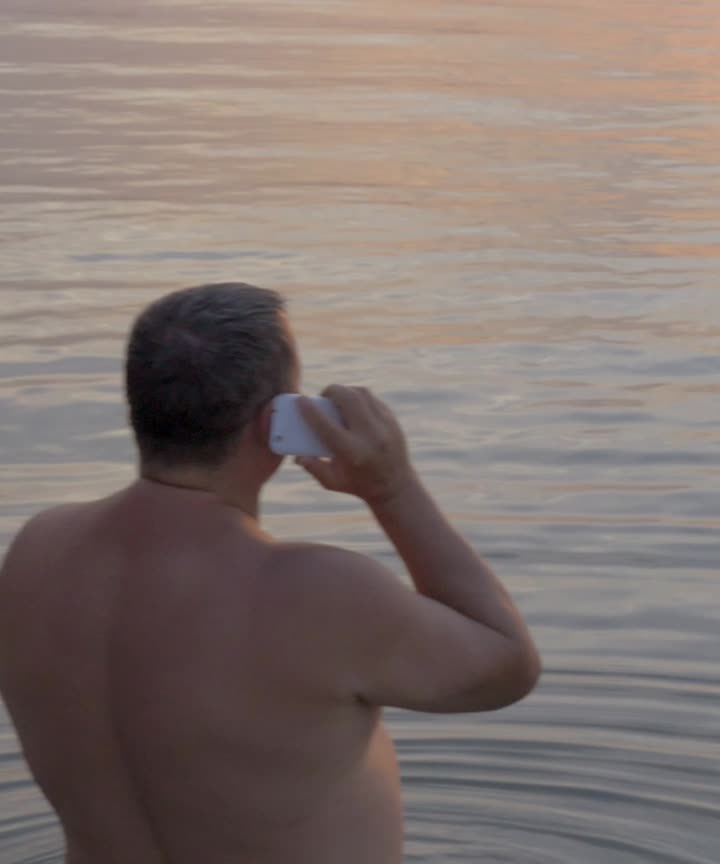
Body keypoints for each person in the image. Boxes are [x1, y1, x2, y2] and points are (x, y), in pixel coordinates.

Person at [0, 283, 541, 864]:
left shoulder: (37, 552)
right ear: (277, 423)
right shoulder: (316, 594)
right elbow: (507, 667)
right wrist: (392, 489)